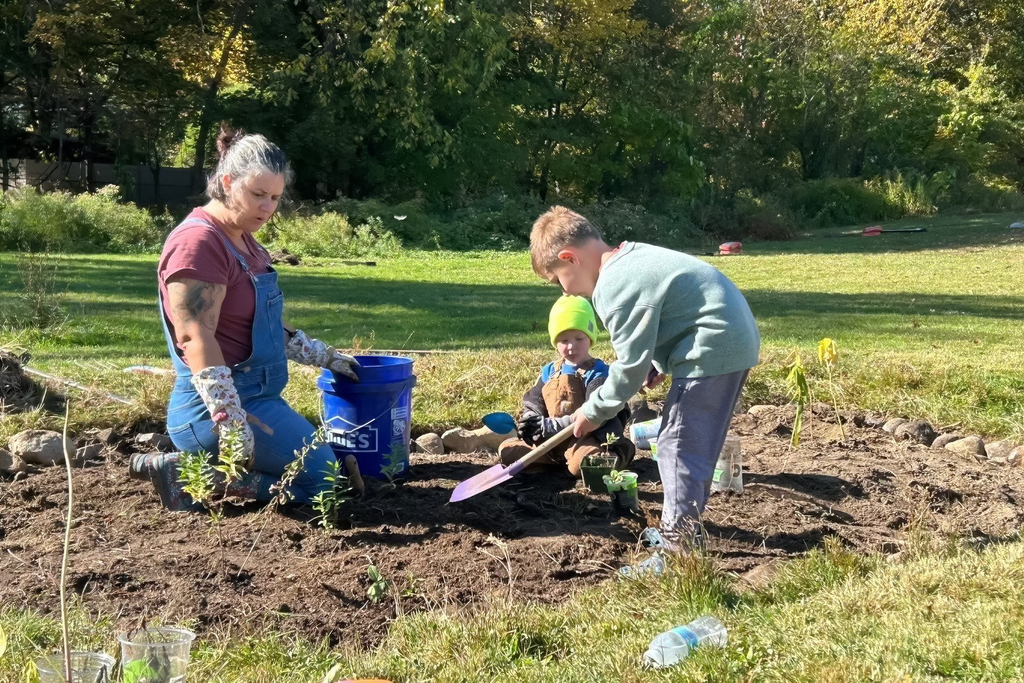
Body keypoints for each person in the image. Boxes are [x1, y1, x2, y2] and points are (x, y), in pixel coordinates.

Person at [131, 125, 359, 511]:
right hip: (215, 410)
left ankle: (204, 472)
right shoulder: (198, 243)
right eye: (257, 194)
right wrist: (230, 421)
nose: (267, 207)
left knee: (329, 473)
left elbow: (262, 323)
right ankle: (189, 476)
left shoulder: (246, 240)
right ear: (226, 181)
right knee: (324, 484)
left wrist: (324, 356)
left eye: (274, 197)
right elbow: (193, 337)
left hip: (260, 397)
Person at [528, 206, 761, 556]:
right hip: (727, 340)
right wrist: (660, 361)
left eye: (558, 280)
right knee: (685, 444)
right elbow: (673, 310)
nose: (566, 292)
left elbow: (628, 369)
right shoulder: (630, 257)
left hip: (713, 348)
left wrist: (594, 412)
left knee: (677, 447)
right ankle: (684, 534)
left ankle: (676, 549)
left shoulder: (614, 286)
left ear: (569, 258)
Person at [498, 295, 635, 476]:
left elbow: (591, 414)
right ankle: (555, 460)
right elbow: (534, 398)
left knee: (585, 465)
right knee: (507, 451)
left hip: (587, 438)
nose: (571, 346)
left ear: (591, 337)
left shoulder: (598, 373)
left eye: (579, 338)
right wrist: (531, 420)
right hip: (551, 441)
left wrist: (548, 426)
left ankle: (620, 452)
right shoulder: (551, 371)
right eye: (564, 341)